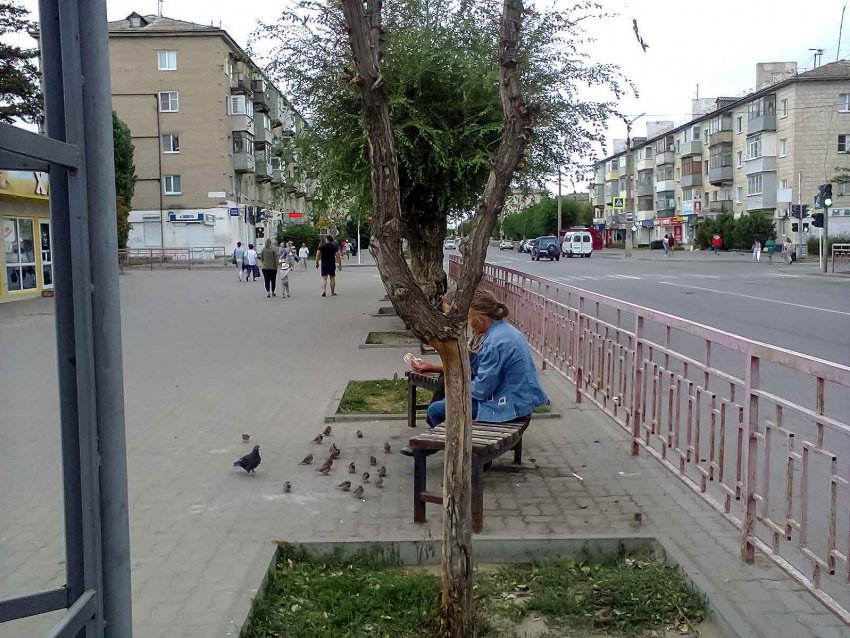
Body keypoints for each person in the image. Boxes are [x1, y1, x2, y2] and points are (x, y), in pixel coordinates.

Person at [420, 289, 548, 429]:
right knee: (445, 401)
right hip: (519, 400)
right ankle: (425, 448)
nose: (468, 323)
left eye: (468, 318)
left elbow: (482, 390)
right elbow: (484, 368)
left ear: (479, 318)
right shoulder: (504, 330)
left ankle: (458, 448)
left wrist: (458, 388)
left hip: (508, 406)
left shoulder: (495, 342)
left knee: (435, 410)